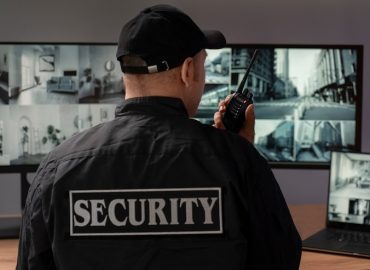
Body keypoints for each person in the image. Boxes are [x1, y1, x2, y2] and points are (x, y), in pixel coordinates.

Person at [16, 4, 301, 270]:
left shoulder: (55, 170)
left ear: (125, 72)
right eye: (203, 63)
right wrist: (239, 152)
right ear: (189, 70)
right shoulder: (238, 162)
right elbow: (281, 259)